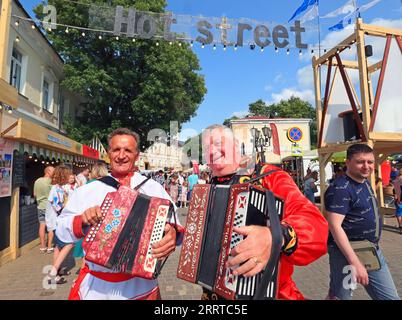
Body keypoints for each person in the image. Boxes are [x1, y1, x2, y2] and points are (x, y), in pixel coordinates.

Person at [199, 124, 328, 300]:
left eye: (218, 143)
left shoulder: (268, 176)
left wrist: (275, 236)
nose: (212, 151)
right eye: (207, 147)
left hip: (269, 293)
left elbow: (315, 224)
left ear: (236, 145)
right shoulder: (207, 189)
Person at [56, 128, 183, 300]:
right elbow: (61, 232)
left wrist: (173, 234)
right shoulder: (88, 190)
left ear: (137, 155)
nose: (121, 155)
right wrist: (82, 221)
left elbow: (176, 224)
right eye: (116, 149)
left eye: (128, 150)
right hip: (97, 288)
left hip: (142, 287)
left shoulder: (153, 188)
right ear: (109, 153)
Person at [325, 144, 400, 300]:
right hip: (346, 253)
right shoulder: (340, 188)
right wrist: (355, 262)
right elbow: (334, 226)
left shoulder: (364, 181)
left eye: (370, 162)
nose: (366, 166)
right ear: (348, 162)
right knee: (340, 296)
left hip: (369, 250)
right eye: (360, 162)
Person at [47, 165, 74, 285]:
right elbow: (56, 205)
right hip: (59, 222)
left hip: (59, 221)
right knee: (68, 243)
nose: (70, 176)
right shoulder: (56, 189)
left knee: (58, 247)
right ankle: (53, 274)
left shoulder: (59, 188)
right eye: (68, 174)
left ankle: (56, 270)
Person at [33, 166, 55, 253]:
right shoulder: (52, 182)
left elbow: (34, 194)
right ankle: (49, 247)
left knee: (42, 225)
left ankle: (42, 246)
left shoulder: (37, 181)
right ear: (48, 171)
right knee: (50, 228)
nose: (54, 173)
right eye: (53, 171)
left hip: (40, 206)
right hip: (49, 208)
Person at [393, 168, 402, 234]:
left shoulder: (396, 179)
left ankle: (400, 226)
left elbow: (394, 190)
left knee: (399, 213)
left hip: (398, 199)